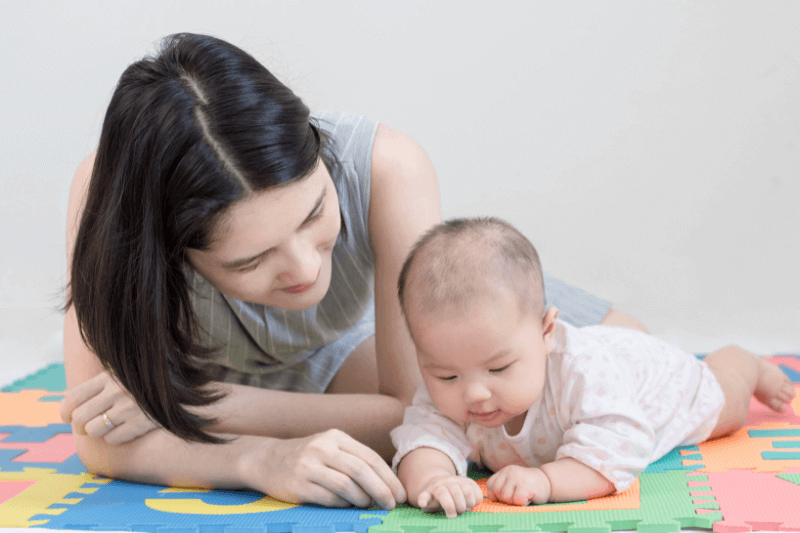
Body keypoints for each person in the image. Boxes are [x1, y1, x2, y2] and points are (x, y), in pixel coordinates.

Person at [60, 33, 645, 508]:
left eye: (314, 212)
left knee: (633, 366)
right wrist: (255, 460)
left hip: (376, 328)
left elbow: (421, 414)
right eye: (250, 260)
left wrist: (194, 406)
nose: (304, 269)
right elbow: (98, 440)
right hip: (283, 375)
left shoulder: (387, 166)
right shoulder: (113, 198)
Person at [391, 217, 796, 518]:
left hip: (659, 382)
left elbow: (617, 448)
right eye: (446, 375)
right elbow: (424, 438)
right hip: (621, 365)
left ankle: (743, 362)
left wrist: (547, 480)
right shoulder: (448, 388)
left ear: (546, 332)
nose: (474, 393)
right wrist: (432, 479)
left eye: (498, 368)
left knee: (727, 403)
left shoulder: (582, 374)